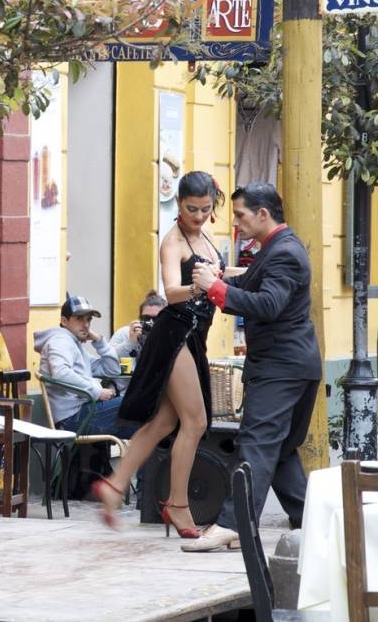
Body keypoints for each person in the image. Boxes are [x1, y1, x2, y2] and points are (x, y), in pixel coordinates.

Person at [183, 183, 321, 552]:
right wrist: (224, 278)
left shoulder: (285, 252)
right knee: (280, 450)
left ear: (263, 214)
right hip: (291, 364)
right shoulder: (276, 248)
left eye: (241, 215)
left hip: (281, 367)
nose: (237, 223)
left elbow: (268, 303)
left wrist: (215, 287)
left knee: (257, 445)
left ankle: (233, 523)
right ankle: (314, 523)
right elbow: (256, 282)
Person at [92, 171, 228, 539]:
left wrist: (239, 276)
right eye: (190, 209)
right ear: (179, 205)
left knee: (164, 423)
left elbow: (219, 277)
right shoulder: (173, 242)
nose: (198, 216)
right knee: (195, 422)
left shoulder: (204, 237)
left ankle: (115, 485)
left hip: (193, 335)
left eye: (204, 209)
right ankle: (178, 504)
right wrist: (202, 285)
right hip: (175, 334)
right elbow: (170, 291)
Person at [34, 295, 139, 439]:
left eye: (88, 319)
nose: (86, 325)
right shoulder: (60, 341)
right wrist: (96, 391)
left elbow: (112, 370)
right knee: (137, 402)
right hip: (72, 419)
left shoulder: (74, 343)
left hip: (82, 413)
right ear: (64, 321)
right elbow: (61, 373)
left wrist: (99, 341)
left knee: (145, 429)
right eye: (79, 319)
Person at [109, 290, 167, 390]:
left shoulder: (168, 337)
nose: (151, 322)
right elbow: (108, 361)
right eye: (146, 318)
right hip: (123, 393)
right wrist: (130, 343)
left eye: (156, 318)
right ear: (139, 318)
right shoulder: (125, 334)